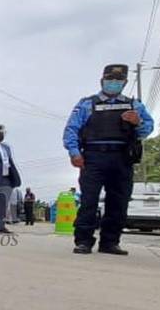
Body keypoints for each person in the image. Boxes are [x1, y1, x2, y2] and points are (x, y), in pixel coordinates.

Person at [63, 64, 154, 255]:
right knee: (89, 200)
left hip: (122, 158)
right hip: (93, 158)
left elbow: (147, 130)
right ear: (102, 81)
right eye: (110, 79)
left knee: (119, 202)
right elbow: (72, 129)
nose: (113, 83)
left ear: (125, 82)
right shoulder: (87, 104)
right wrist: (74, 152)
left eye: (118, 80)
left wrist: (138, 122)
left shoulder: (135, 105)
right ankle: (83, 241)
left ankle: (110, 242)